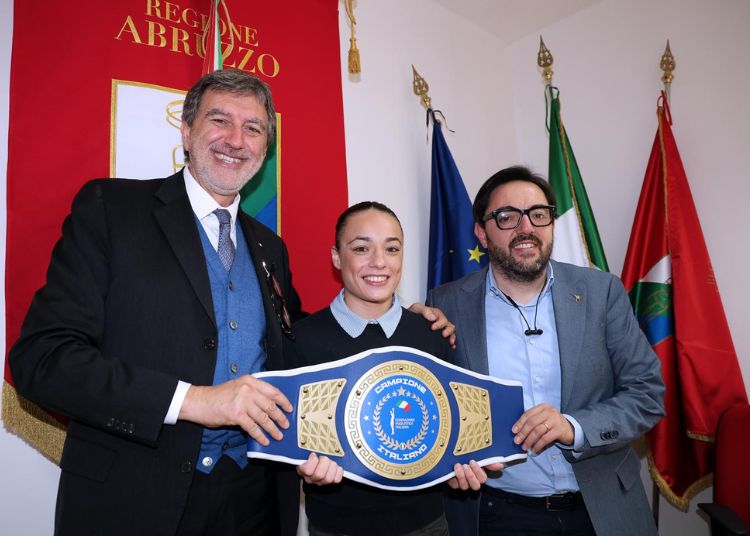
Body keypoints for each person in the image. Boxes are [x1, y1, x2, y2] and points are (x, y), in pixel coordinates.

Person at [8, 70, 452, 536]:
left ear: (265, 150)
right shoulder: (112, 209)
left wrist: (397, 316)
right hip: (136, 495)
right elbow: (43, 359)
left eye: (253, 128)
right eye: (220, 120)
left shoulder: (269, 247)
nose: (236, 140)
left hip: (256, 499)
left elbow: (297, 343)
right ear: (186, 131)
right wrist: (194, 401)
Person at [427, 166, 665, 536]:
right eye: (507, 217)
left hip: (602, 509)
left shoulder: (601, 292)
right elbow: (432, 406)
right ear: (481, 233)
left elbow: (647, 394)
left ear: (551, 223)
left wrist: (574, 427)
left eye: (538, 214)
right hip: (497, 515)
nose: (526, 228)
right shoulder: (447, 304)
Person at [289, 202, 495, 536]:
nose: (379, 262)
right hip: (335, 527)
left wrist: (460, 467)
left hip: (426, 525)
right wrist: (303, 468)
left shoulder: (434, 334)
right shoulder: (300, 340)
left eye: (392, 248)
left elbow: (452, 435)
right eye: (361, 248)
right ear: (337, 257)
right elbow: (287, 443)